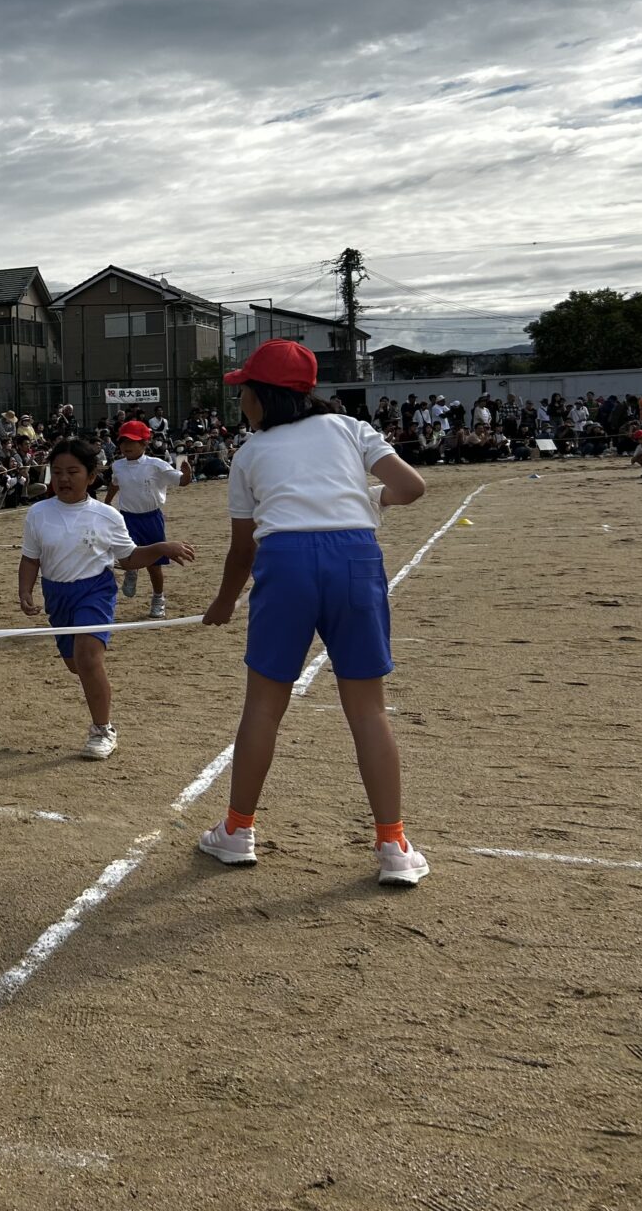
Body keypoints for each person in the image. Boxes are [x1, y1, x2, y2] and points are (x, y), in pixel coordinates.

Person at [195, 339, 431, 887]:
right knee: (368, 710)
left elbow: (243, 548)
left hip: (287, 564)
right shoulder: (349, 428)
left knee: (263, 707)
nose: (241, 401)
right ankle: (393, 843)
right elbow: (411, 487)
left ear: (264, 396)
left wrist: (225, 601)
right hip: (355, 558)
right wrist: (367, 500)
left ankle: (237, 831)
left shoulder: (249, 454)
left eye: (244, 391)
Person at [17, 438, 195, 761]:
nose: (63, 479)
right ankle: (94, 685)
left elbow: (127, 558)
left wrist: (161, 548)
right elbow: (31, 559)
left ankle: (102, 730)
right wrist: (25, 590)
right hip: (57, 596)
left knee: (87, 658)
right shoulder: (38, 514)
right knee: (77, 665)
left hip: (95, 592)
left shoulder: (107, 515)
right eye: (56, 472)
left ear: (92, 475)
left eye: (72, 471)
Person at [103, 419, 191, 620]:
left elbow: (182, 481)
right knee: (125, 555)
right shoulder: (118, 466)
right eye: (123, 442)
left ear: (144, 443)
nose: (127, 446)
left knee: (154, 564)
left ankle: (158, 598)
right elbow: (115, 484)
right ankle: (131, 570)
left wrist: (186, 470)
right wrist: (107, 502)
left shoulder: (156, 465)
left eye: (132, 442)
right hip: (126, 518)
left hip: (151, 518)